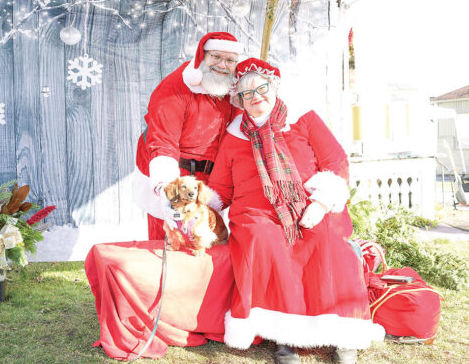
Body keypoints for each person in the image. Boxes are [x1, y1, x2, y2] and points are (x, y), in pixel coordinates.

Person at [207, 58, 385, 364]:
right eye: (247, 93)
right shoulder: (234, 136)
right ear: (239, 100)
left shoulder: (304, 120)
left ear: (274, 88)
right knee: (263, 240)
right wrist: (197, 210)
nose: (256, 97)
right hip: (257, 213)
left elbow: (336, 161)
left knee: (327, 241)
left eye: (262, 88)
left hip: (310, 204)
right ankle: (285, 337)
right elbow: (220, 189)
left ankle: (343, 335)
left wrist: (321, 202)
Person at [133, 31, 244, 240]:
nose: (222, 65)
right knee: (170, 238)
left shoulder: (231, 91)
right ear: (202, 56)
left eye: (230, 60)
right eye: (216, 57)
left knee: (205, 238)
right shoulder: (175, 89)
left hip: (208, 177)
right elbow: (163, 142)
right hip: (174, 172)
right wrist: (168, 188)